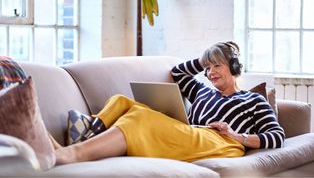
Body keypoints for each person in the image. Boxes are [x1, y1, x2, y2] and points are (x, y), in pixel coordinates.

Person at [53, 41, 285, 165]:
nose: (211, 72)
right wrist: (203, 58)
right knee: (123, 102)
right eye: (208, 67)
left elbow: (277, 136)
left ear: (233, 67)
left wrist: (236, 136)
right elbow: (178, 73)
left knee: (140, 118)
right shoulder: (202, 92)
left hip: (222, 141)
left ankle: (71, 153)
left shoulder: (252, 100)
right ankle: (90, 131)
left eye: (217, 65)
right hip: (192, 133)